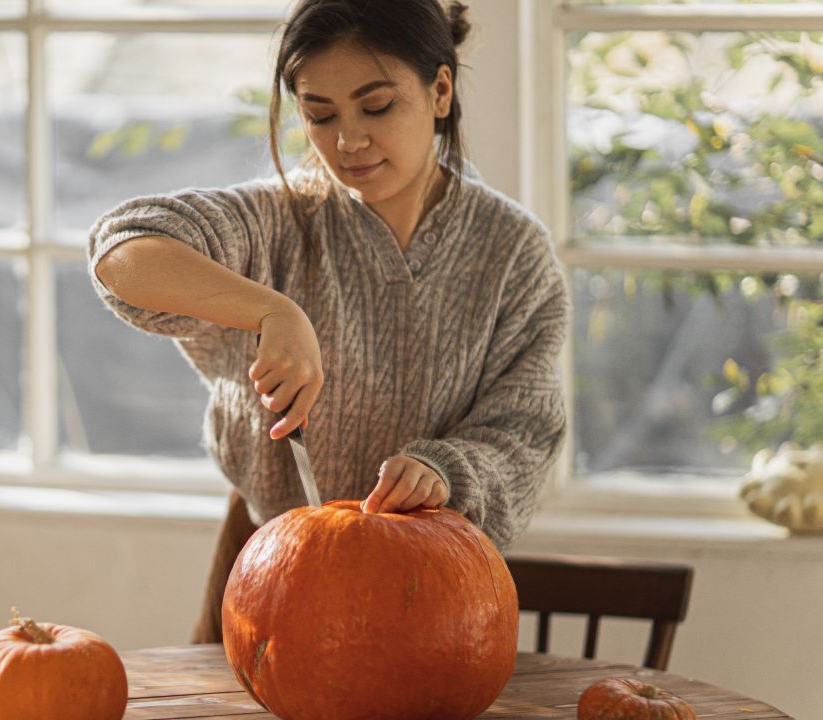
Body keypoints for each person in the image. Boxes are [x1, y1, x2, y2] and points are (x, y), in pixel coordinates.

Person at [87, 0, 570, 644]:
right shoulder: (276, 224)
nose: (348, 140)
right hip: (271, 565)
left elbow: (525, 432)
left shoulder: (514, 253)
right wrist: (271, 308)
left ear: (441, 91)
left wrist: (445, 471)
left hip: (433, 586)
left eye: (376, 107)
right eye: (320, 115)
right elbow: (123, 249)